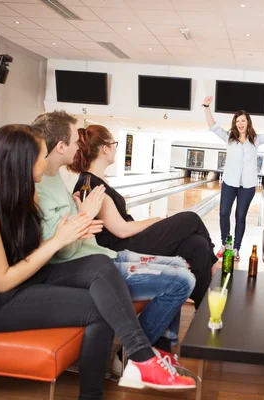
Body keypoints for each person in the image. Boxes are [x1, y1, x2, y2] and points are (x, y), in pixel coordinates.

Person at [0, 125, 195, 400]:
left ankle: (139, 359)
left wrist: (77, 222)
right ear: (21, 162)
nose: (46, 161)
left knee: (99, 263)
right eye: (41, 156)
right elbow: (0, 280)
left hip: (26, 279)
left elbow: (29, 252)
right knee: (100, 308)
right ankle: (129, 368)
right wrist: (58, 240)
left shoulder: (24, 194)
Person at [31, 111, 197, 381]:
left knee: (180, 261)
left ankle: (159, 347)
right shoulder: (40, 185)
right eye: (75, 141)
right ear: (60, 146)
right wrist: (85, 215)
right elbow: (61, 246)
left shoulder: (53, 177)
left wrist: (81, 213)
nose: (78, 146)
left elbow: (75, 231)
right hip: (87, 267)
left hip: (101, 255)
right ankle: (132, 356)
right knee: (183, 279)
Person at [67, 124, 219, 308]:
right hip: (121, 249)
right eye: (114, 143)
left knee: (198, 245)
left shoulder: (93, 181)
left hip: (129, 242)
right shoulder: (94, 186)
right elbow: (121, 230)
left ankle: (202, 309)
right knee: (191, 219)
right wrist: (154, 221)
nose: (116, 148)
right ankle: (214, 263)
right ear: (104, 149)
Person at [202, 96, 264, 261]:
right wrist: (206, 106)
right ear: (235, 123)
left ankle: (236, 249)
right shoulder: (229, 137)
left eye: (243, 120)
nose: (240, 123)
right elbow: (213, 126)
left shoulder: (256, 140)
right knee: (224, 214)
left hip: (247, 186)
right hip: (229, 183)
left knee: (240, 217)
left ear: (248, 122)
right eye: (237, 121)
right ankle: (225, 244)